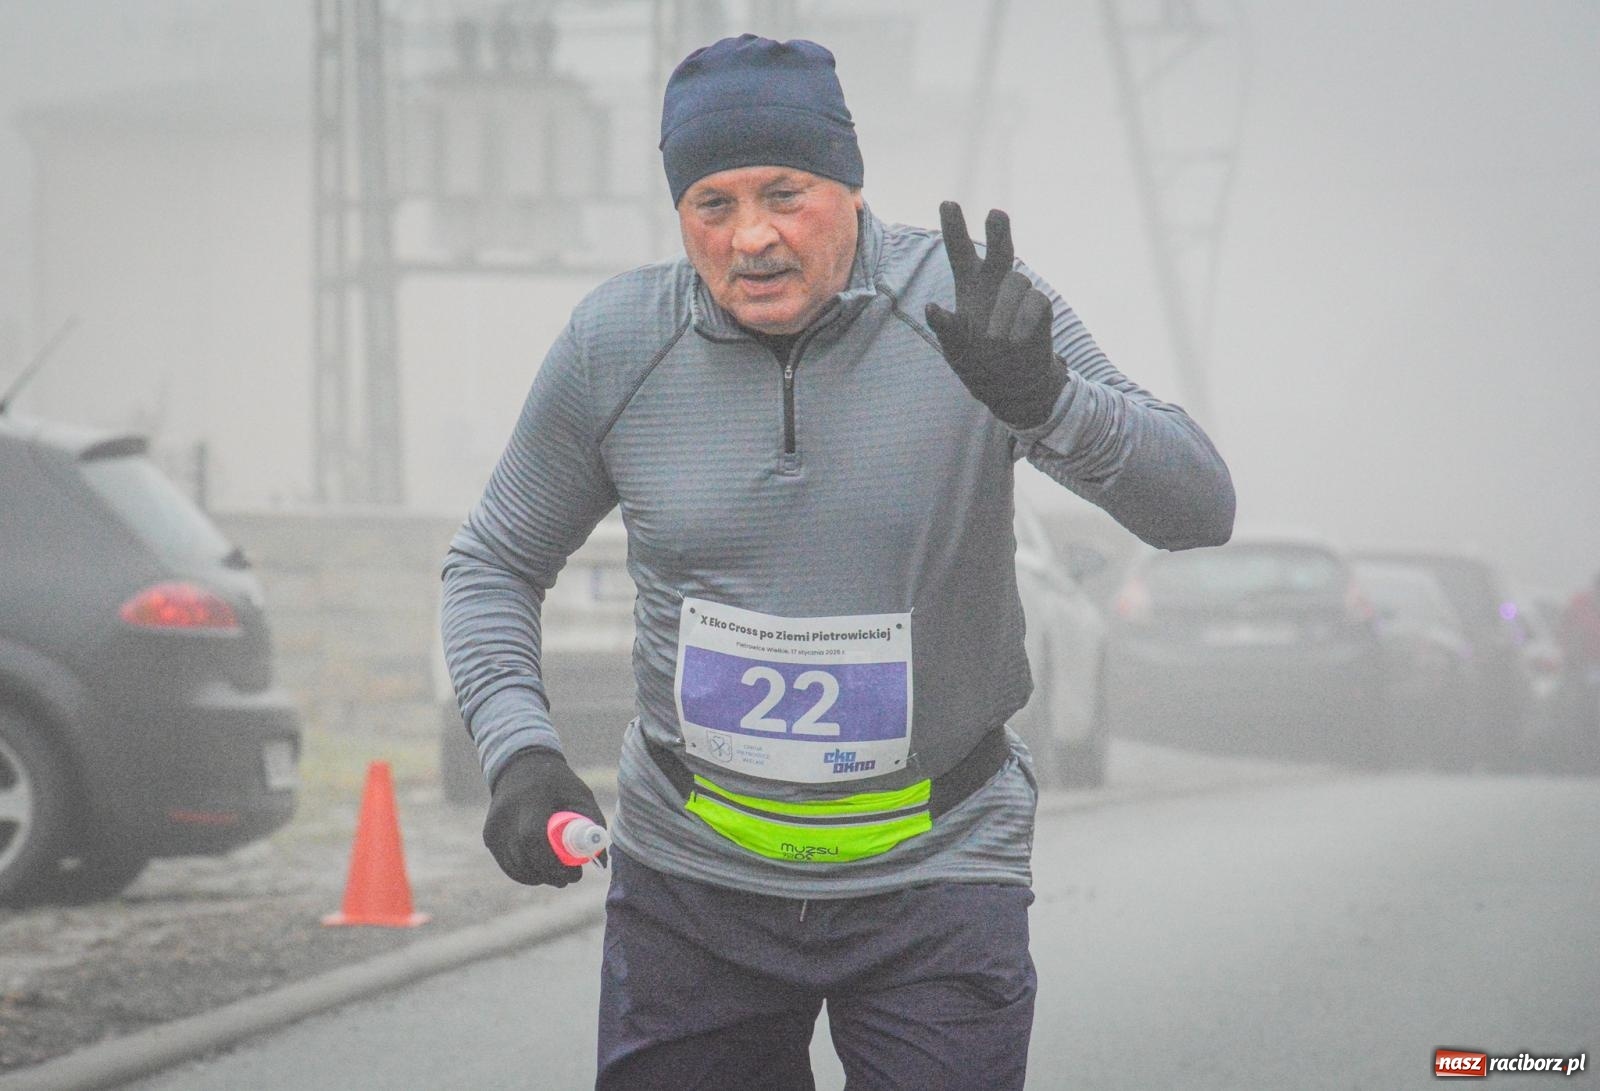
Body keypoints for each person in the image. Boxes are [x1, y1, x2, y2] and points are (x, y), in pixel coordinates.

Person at [442, 33, 1234, 1090]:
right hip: (692, 885)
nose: (752, 236)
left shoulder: (964, 306)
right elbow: (492, 560)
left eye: (785, 191)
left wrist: (1045, 400)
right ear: (679, 214)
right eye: (711, 205)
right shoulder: (615, 345)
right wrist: (517, 749)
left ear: (851, 188)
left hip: (936, 871)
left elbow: (1198, 507)